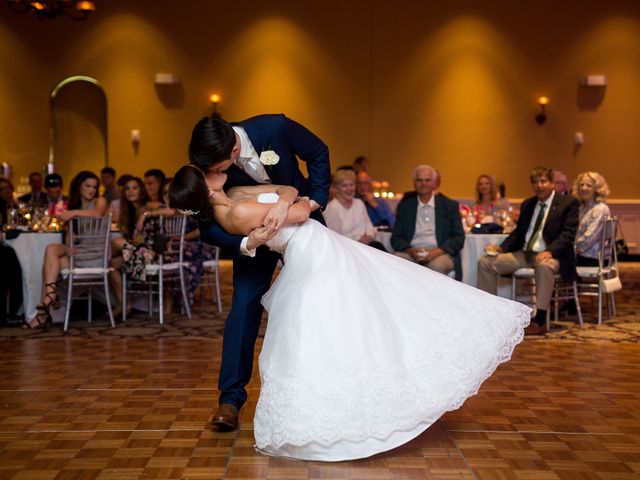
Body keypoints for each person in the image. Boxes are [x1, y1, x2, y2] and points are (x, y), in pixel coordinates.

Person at [169, 165, 530, 461]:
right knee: (334, 322)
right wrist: (289, 201)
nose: (214, 169)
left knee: (366, 304)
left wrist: (287, 197)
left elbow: (288, 189)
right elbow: (296, 208)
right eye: (206, 173)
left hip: (318, 244)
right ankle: (336, 409)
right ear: (206, 188)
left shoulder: (232, 197)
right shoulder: (239, 210)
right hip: (310, 249)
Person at [186, 113, 331, 432]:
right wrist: (245, 242)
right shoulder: (208, 164)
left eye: (215, 169)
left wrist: (315, 200)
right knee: (243, 307)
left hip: (300, 223)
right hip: (252, 239)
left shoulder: (274, 127)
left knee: (318, 306)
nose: (211, 174)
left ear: (233, 152)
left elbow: (318, 152)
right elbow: (207, 226)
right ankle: (230, 399)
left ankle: (322, 393)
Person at [477, 166, 579, 335]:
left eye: (543, 181)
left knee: (544, 265)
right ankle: (490, 314)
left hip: (552, 254)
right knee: (485, 262)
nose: (539, 185)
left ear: (552, 183)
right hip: (524, 254)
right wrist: (501, 248)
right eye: (535, 182)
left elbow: (567, 235)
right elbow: (518, 233)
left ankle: (540, 319)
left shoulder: (568, 203)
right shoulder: (528, 204)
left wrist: (550, 252)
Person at [24, 171, 108, 329]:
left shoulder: (99, 201)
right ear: (79, 187)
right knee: (51, 251)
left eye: (94, 187)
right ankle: (50, 297)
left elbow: (98, 214)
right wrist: (69, 244)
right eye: (87, 186)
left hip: (95, 254)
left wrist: (72, 213)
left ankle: (43, 312)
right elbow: (71, 235)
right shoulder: (75, 206)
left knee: (48, 267)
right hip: (78, 253)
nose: (91, 190)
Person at [391, 165, 465, 279]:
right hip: (411, 252)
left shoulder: (449, 206)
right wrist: (411, 251)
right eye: (419, 180)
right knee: (395, 261)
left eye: (427, 180)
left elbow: (459, 238)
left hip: (441, 253)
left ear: (434, 183)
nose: (423, 183)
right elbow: (395, 238)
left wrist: (436, 252)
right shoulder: (405, 207)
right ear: (414, 183)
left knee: (436, 266)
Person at [109, 176, 151, 317]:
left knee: (115, 243)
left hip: (153, 253)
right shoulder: (129, 212)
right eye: (127, 189)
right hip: (137, 251)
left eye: (135, 188)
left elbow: (172, 211)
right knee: (111, 265)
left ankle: (100, 258)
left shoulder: (148, 205)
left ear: (141, 190)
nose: (130, 191)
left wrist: (145, 214)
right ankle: (124, 303)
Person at [325, 169, 386, 251]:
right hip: (347, 248)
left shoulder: (359, 203)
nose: (349, 189)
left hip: (366, 245)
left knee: (378, 247)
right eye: (344, 186)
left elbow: (368, 224)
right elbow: (334, 237)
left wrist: (369, 236)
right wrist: (358, 239)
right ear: (337, 188)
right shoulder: (332, 208)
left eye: (351, 185)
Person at [573, 171, 611, 266]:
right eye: (581, 185)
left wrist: (571, 248)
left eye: (589, 186)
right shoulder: (582, 208)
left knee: (556, 261)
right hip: (581, 255)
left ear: (597, 189)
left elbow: (588, 239)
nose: (583, 188)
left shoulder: (600, 209)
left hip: (593, 258)